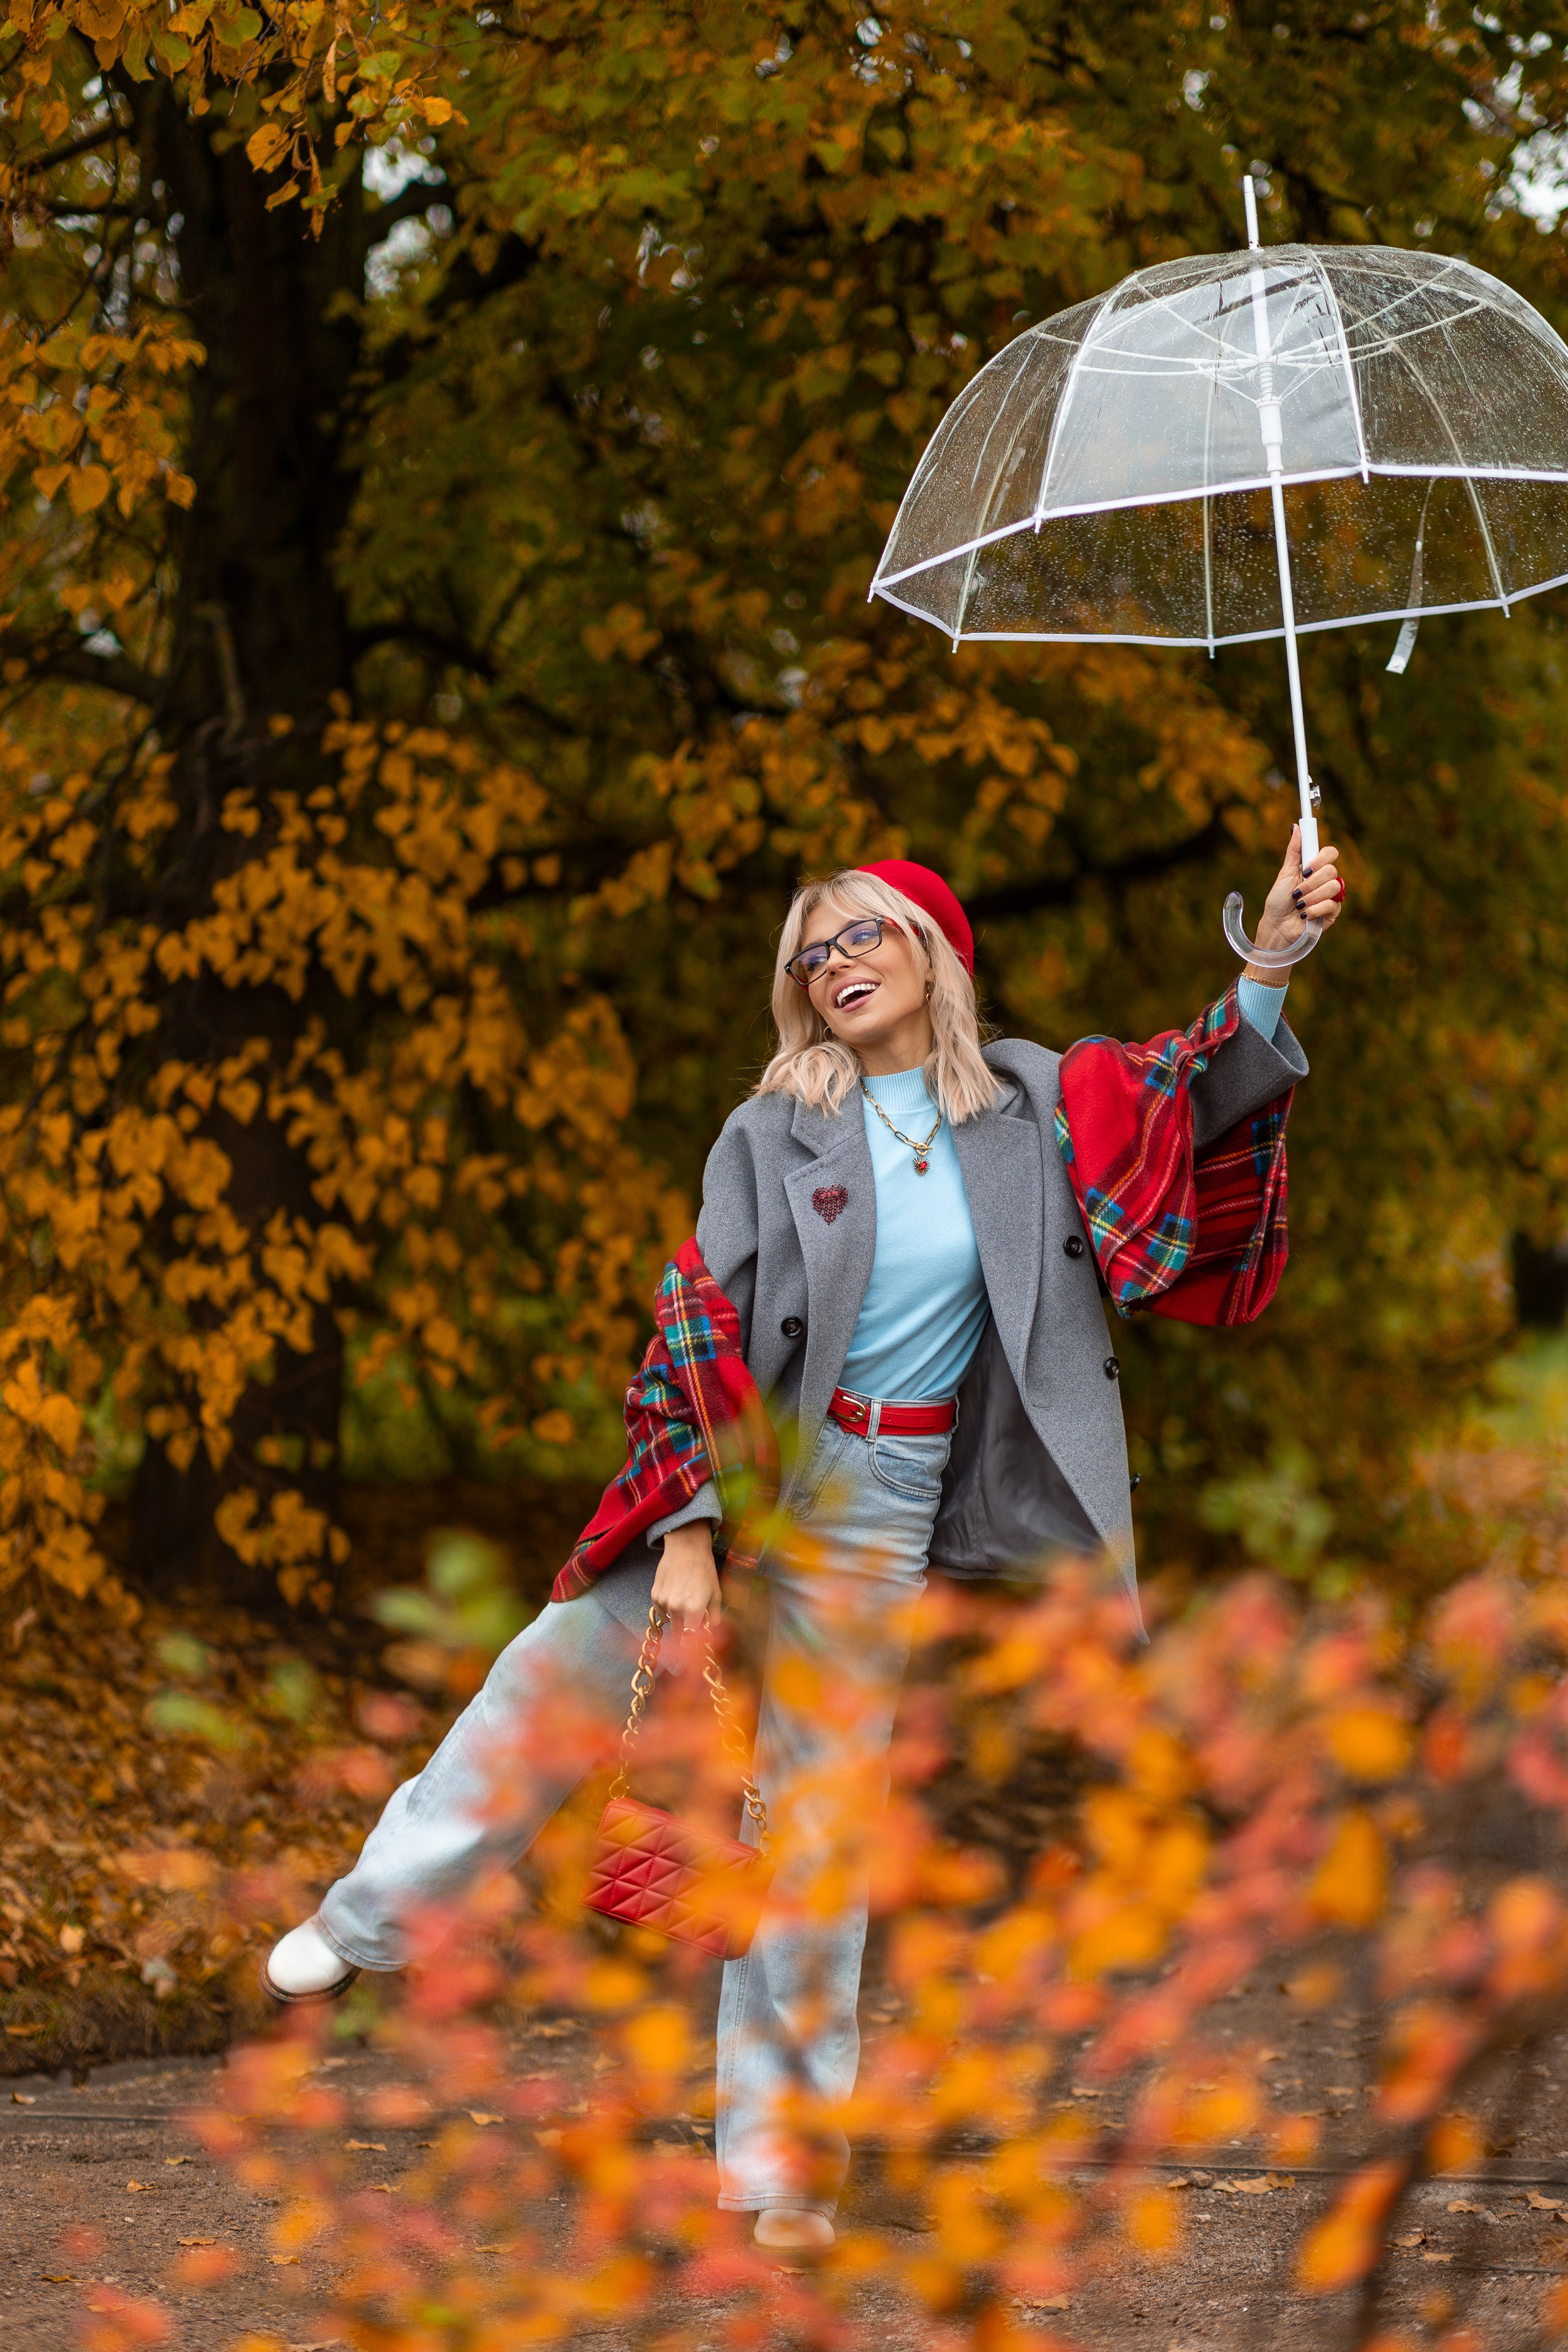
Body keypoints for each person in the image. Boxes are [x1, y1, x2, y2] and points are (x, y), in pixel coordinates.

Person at [262, 838, 1344, 2253]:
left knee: (813, 1841)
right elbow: (693, 1320)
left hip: (889, 1514)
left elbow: (1188, 1097)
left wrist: (1266, 959)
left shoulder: (1028, 1102)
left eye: (860, 940)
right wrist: (693, 1531)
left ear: (930, 949)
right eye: (811, 953)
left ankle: (775, 2173)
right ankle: (368, 1922)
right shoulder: (768, 1133)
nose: (833, 965)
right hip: (762, 1475)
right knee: (542, 1685)